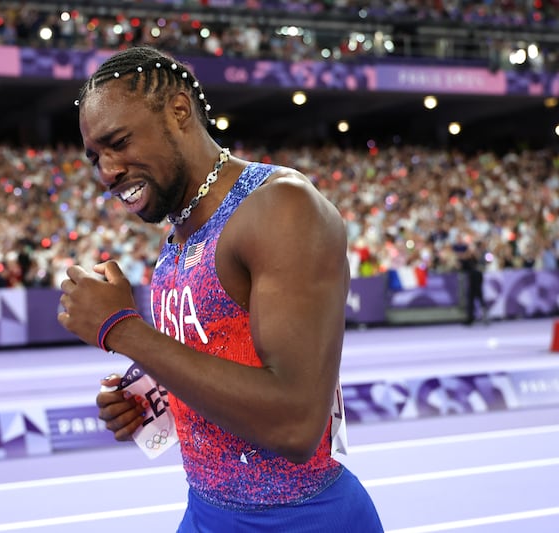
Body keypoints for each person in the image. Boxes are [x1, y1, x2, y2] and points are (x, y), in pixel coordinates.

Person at [58, 46, 382, 532]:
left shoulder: (281, 207)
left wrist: (123, 331)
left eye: (118, 142)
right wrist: (148, 394)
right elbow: (225, 354)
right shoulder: (178, 233)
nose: (106, 172)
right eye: (95, 157)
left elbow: (295, 424)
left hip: (304, 519)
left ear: (179, 112)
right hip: (206, 511)